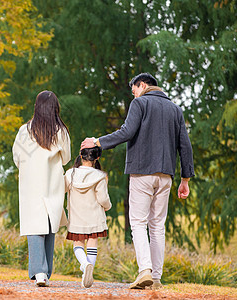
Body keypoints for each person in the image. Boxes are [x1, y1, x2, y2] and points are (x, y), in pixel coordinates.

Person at [81, 73, 194, 290]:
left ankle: (145, 271)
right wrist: (185, 179)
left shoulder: (140, 103)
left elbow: (127, 132)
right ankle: (157, 278)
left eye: (134, 88)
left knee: (139, 223)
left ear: (142, 85)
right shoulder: (175, 109)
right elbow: (185, 145)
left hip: (142, 172)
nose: (133, 93)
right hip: (166, 175)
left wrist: (97, 141)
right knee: (157, 226)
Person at [12, 90, 71, 287]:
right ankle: (44, 272)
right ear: (55, 108)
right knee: (49, 226)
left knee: (35, 226)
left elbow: (18, 157)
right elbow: (67, 157)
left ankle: (40, 272)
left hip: (31, 183)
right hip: (52, 182)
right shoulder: (60, 131)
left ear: (37, 107)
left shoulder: (25, 131)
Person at [64, 146, 111, 288]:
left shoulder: (70, 174)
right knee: (92, 243)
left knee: (78, 244)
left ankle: (84, 265)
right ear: (97, 158)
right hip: (94, 216)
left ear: (81, 155)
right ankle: (87, 270)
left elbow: (62, 189)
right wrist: (108, 206)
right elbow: (103, 199)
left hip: (77, 216)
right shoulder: (100, 176)